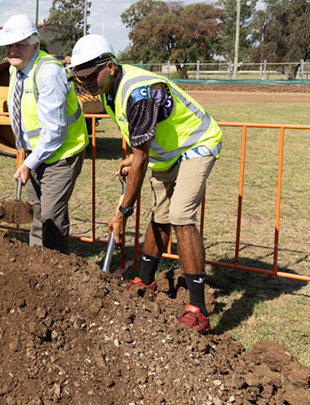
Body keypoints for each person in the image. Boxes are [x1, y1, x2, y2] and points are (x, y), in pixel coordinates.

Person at [68, 34, 223, 334]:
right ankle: (145, 280)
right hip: (166, 154)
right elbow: (139, 143)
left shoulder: (138, 92)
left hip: (196, 144)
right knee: (160, 215)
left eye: (88, 76)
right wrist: (133, 158)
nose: (83, 83)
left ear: (110, 67)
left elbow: (141, 158)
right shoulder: (109, 90)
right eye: (78, 78)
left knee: (180, 215)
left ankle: (198, 310)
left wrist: (122, 212)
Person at [0, 15, 88, 254]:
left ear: (35, 45)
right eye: (9, 45)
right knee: (37, 213)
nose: (13, 50)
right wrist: (27, 155)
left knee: (51, 218)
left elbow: (55, 132)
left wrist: (29, 162)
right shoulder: (13, 70)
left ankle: (59, 269)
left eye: (20, 45)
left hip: (61, 153)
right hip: (37, 153)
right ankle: (39, 268)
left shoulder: (48, 73)